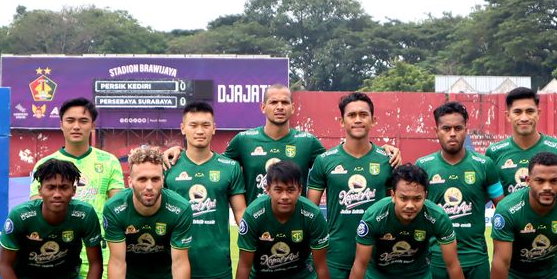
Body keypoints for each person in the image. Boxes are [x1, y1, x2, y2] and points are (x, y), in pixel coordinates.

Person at [164, 84, 402, 204]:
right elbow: (214, 162)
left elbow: (342, 158)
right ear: (263, 107)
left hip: (295, 225)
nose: (279, 106)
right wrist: (180, 151)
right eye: (274, 101)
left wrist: (383, 150)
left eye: (285, 102)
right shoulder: (243, 141)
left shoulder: (307, 142)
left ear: (292, 108)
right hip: (259, 226)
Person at [340, 164, 477, 279]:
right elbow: (360, 264)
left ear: (425, 196)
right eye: (403, 198)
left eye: (417, 199)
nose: (410, 205)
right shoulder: (374, 216)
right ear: (393, 195)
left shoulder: (438, 217)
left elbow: (453, 264)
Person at [30, 97, 124, 279]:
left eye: (83, 121)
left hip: (100, 253)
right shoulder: (45, 165)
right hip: (57, 253)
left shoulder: (109, 162)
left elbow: (117, 209)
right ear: (61, 124)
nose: (76, 126)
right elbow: (36, 210)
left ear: (92, 125)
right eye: (70, 120)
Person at [416, 101, 504, 279]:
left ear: (466, 129)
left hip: (476, 259)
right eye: (446, 128)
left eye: (458, 128)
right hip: (436, 261)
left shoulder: (484, 165)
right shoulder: (423, 166)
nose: (452, 134)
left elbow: (502, 208)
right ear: (436, 130)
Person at [307, 92, 392, 279]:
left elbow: (397, 208)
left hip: (379, 258)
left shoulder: (388, 160)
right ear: (341, 120)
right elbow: (310, 212)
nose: (357, 119)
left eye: (363, 114)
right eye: (351, 115)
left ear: (373, 120)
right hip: (337, 256)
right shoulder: (325, 161)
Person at [229, 161, 338, 279]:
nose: (285, 196)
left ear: (300, 189)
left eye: (291, 190)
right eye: (278, 190)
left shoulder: (312, 215)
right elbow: (244, 266)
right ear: (268, 189)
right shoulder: (253, 215)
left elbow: (321, 265)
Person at [164, 102, 246, 279]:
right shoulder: (168, 167)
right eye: (193, 125)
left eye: (205, 125)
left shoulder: (229, 167)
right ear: (183, 128)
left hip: (218, 267)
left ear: (214, 128)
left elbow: (241, 214)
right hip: (178, 267)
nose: (199, 131)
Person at [101, 147, 201, 279]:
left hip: (167, 272)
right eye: (142, 179)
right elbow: (117, 262)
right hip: (132, 273)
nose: (149, 186)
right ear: (130, 181)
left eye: (155, 179)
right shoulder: (114, 208)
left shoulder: (180, 208)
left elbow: (179, 262)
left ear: (163, 180)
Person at [486, 87, 557, 201]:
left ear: (538, 113)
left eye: (530, 111)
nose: (524, 118)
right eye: (517, 112)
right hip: (511, 219)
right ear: (508, 116)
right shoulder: (493, 152)